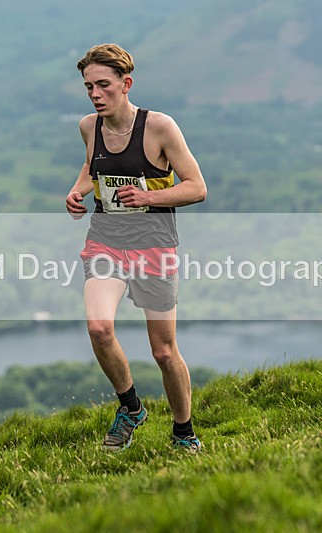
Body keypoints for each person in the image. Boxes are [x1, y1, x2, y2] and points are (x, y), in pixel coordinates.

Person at [66, 43, 207, 454]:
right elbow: (91, 168)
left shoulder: (160, 127)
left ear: (126, 85)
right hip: (105, 240)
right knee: (99, 327)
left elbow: (197, 187)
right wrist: (77, 193)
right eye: (89, 86)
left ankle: (184, 432)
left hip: (153, 247)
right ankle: (130, 407)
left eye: (104, 85)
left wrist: (148, 198)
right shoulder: (89, 126)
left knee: (163, 351)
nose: (95, 93)